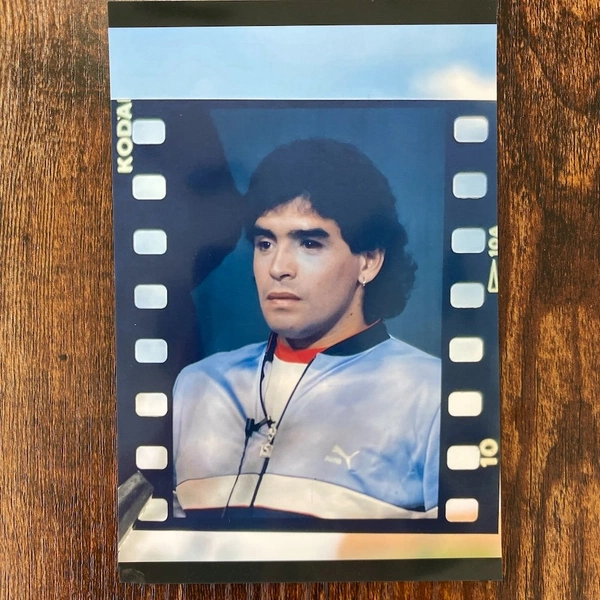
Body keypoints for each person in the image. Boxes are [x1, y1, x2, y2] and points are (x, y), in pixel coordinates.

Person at [173, 138, 440, 520]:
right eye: (265, 243)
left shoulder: (431, 394)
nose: (278, 267)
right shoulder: (199, 384)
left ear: (369, 261)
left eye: (309, 243)